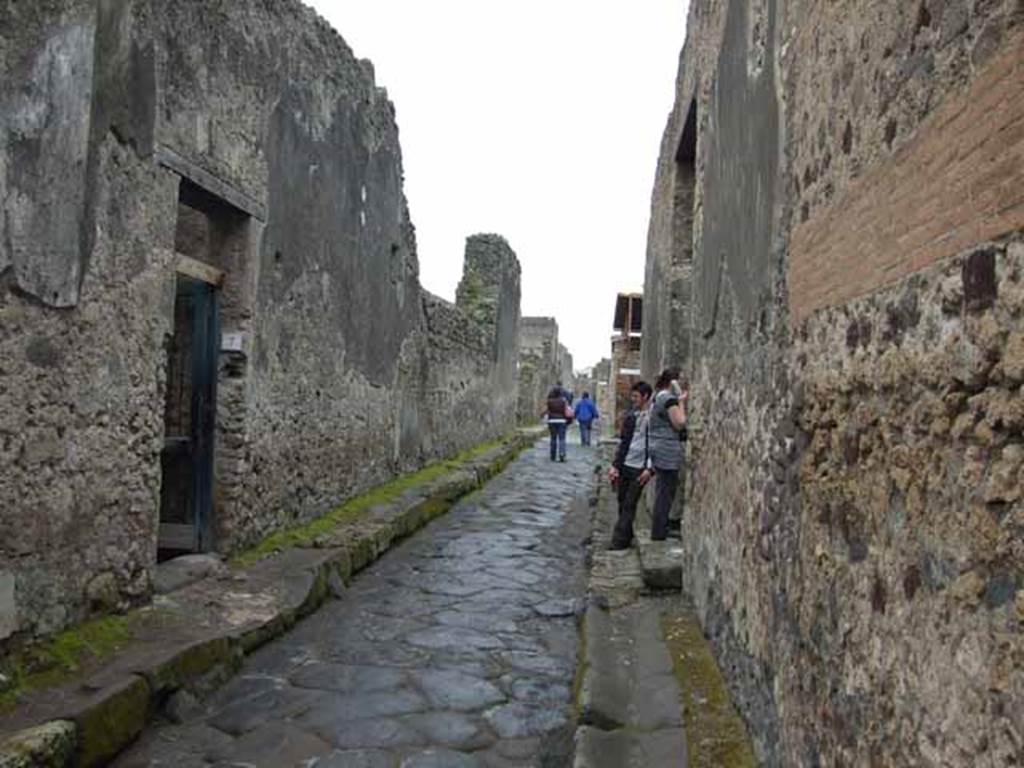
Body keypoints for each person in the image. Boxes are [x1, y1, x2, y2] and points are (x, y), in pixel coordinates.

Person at [607, 381, 654, 549]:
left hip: (640, 468)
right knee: (621, 501)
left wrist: (649, 468)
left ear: (645, 396)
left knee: (629, 504)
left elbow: (654, 445)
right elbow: (624, 443)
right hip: (626, 465)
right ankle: (626, 536)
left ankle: (618, 543)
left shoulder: (653, 419)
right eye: (632, 396)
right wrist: (615, 466)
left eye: (636, 396)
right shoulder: (631, 417)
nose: (633, 399)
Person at [648, 368, 688, 541]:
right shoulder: (668, 398)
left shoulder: (658, 396)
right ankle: (659, 531)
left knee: (662, 489)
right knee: (666, 491)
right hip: (667, 449)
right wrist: (682, 403)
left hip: (658, 446)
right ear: (673, 382)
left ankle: (660, 528)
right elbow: (680, 423)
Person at [543, 386, 572, 462]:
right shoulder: (563, 401)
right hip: (562, 421)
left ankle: (553, 455)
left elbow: (547, 411)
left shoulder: (549, 401)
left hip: (552, 421)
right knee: (562, 439)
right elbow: (567, 411)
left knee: (553, 438)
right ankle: (562, 454)